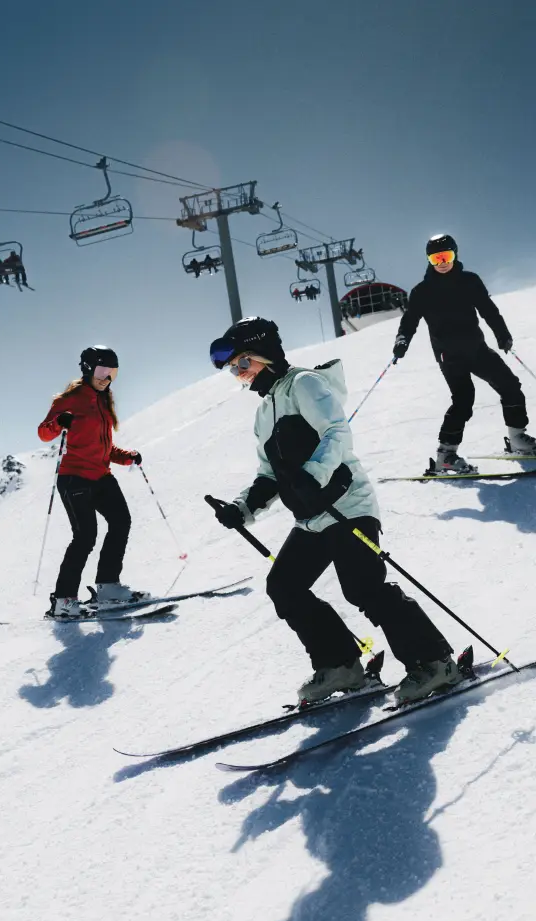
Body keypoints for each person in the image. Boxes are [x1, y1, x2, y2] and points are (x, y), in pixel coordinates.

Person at [208, 316, 458, 704]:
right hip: (311, 518)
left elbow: (336, 432)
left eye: (243, 363)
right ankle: (341, 665)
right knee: (284, 587)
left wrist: (314, 474)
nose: (240, 374)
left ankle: (435, 662)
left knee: (363, 588)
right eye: (234, 370)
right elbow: (269, 474)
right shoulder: (264, 412)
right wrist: (241, 509)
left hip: (347, 505)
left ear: (265, 353)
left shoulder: (304, 384)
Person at [393, 233, 536, 471]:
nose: (442, 263)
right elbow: (409, 321)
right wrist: (402, 341)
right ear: (429, 260)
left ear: (455, 254)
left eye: (446, 256)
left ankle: (517, 439)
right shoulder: (422, 292)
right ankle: (446, 456)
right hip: (449, 356)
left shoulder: (470, 281)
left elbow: (488, 310)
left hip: (477, 349)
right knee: (464, 399)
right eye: (436, 258)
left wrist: (502, 334)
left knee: (510, 384)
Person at [37, 345, 146, 619]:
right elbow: (43, 433)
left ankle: (108, 587)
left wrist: (127, 457)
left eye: (112, 373)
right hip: (74, 478)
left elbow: (103, 447)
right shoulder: (70, 400)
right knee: (85, 536)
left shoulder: (103, 401)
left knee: (121, 521)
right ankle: (63, 601)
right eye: (102, 371)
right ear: (87, 369)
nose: (106, 378)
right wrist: (59, 421)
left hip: (101, 477)